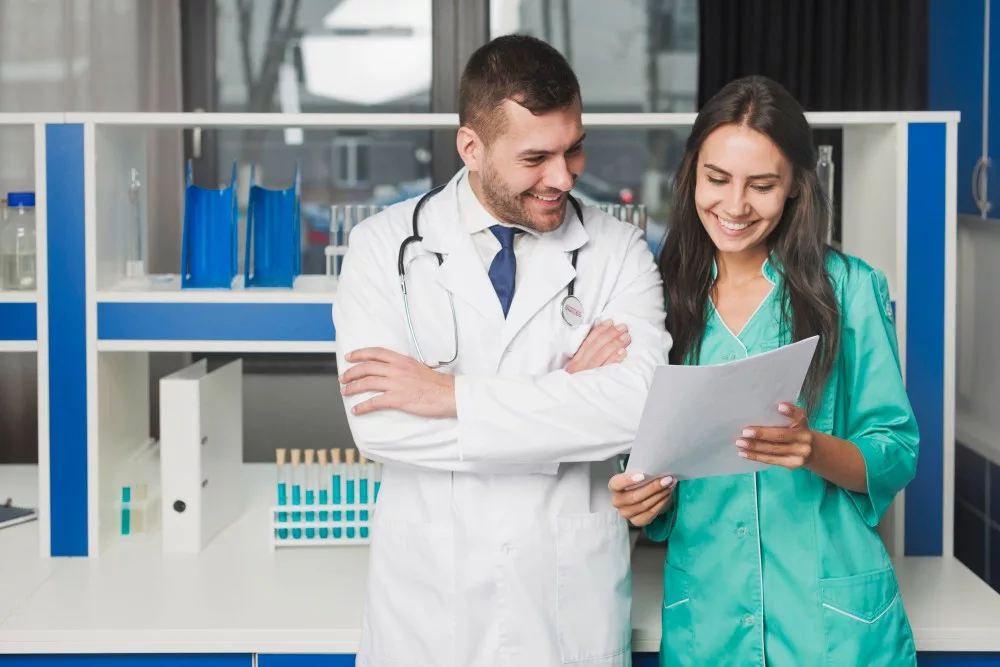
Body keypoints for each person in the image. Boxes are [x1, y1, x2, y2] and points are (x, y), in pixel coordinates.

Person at [334, 34, 673, 667]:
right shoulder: (383, 247)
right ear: (472, 147)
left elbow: (635, 407)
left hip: (566, 608)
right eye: (536, 157)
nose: (563, 176)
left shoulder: (619, 250)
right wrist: (567, 392)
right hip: (429, 612)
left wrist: (450, 396)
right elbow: (379, 426)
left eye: (574, 150)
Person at [593, 75, 921, 665]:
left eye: (762, 185)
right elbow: (639, 445)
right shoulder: (655, 296)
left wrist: (812, 448)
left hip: (832, 629)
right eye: (717, 179)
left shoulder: (849, 290)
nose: (736, 206)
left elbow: (895, 449)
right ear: (692, 171)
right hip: (710, 619)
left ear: (795, 185)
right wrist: (642, 495)